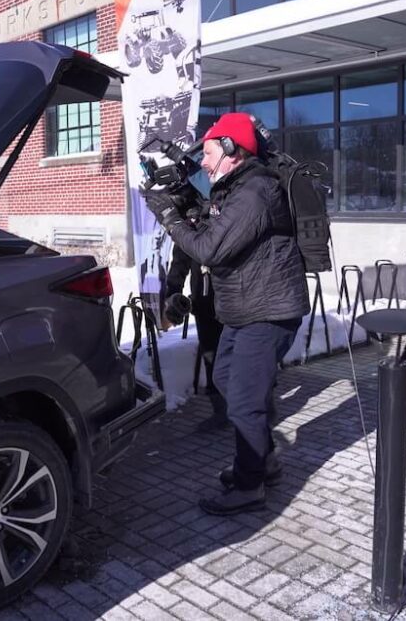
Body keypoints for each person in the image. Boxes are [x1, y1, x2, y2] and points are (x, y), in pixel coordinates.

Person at [140, 112, 309, 516]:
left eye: (209, 152)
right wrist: (184, 208)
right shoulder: (233, 190)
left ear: (232, 150)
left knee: (244, 402)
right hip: (246, 310)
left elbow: (209, 249)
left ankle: (250, 486)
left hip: (267, 311)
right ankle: (263, 460)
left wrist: (169, 216)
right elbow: (208, 230)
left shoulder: (254, 192)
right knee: (225, 377)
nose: (202, 161)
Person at [162, 203, 228, 433]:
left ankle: (256, 408)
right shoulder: (191, 218)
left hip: (236, 300)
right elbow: (180, 260)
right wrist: (173, 293)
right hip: (204, 302)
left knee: (243, 354)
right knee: (211, 355)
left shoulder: (232, 205)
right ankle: (221, 411)